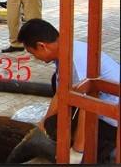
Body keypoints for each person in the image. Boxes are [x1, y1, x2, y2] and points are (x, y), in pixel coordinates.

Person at [13, 18, 120, 163]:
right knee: (52, 121)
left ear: (42, 46)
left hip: (112, 116)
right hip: (98, 103)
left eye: (33, 53)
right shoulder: (66, 49)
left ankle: (101, 149)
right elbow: (61, 91)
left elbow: (88, 108)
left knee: (92, 155)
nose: (35, 58)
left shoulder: (75, 63)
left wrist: (77, 150)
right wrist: (44, 122)